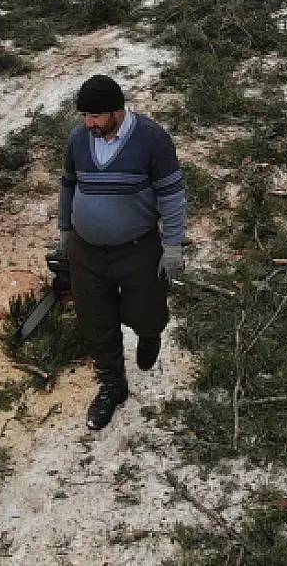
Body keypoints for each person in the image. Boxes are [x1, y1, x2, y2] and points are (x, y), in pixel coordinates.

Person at [58, 75, 187, 431]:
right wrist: (64, 232)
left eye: (96, 116)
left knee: (145, 310)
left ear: (117, 110)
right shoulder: (79, 138)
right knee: (96, 321)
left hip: (137, 249)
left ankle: (149, 333)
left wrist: (173, 245)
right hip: (86, 251)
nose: (89, 124)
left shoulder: (152, 139)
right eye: (84, 116)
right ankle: (112, 386)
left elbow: (172, 196)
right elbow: (68, 185)